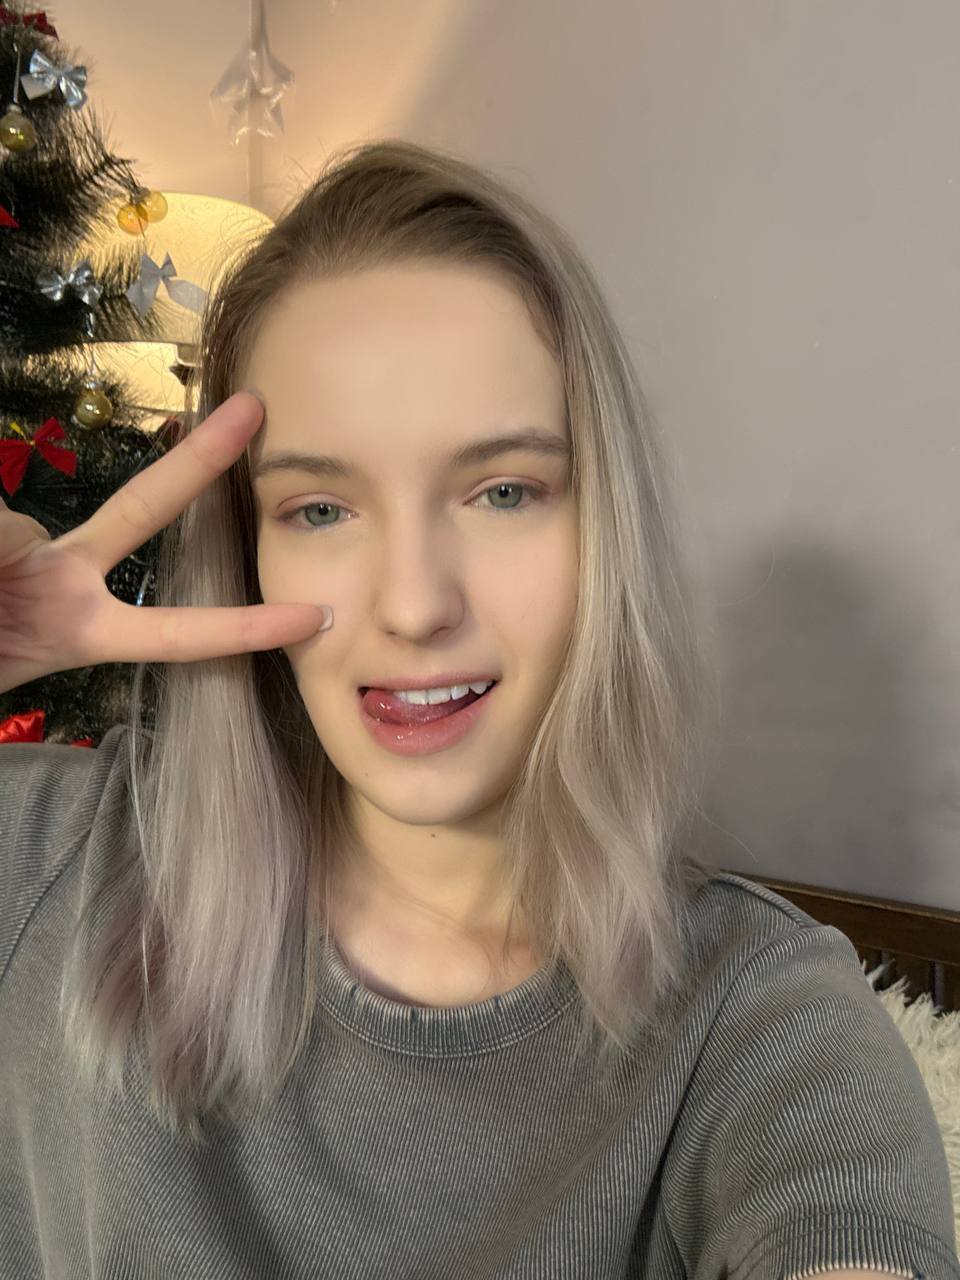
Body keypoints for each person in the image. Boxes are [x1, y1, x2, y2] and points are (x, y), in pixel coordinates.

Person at [0, 139, 955, 1280]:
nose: (414, 606)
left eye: (503, 491)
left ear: (603, 529)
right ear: (248, 548)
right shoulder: (59, 864)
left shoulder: (761, 1025)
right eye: (319, 509)